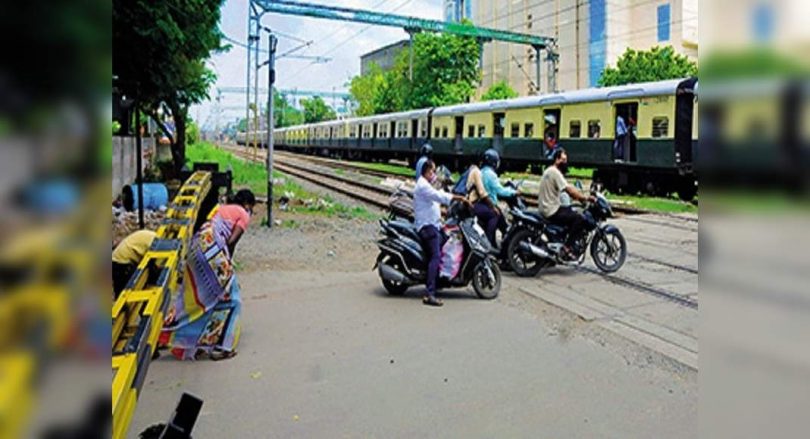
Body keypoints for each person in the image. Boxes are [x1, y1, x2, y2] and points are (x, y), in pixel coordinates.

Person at [159, 189, 256, 360]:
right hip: (212, 249)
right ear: (248, 205)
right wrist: (228, 270)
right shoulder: (243, 214)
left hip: (196, 246)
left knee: (202, 298)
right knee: (233, 299)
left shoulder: (222, 208)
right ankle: (225, 347)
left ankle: (180, 337)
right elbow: (230, 242)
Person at [414, 159, 468, 307]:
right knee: (436, 256)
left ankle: (438, 278)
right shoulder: (423, 186)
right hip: (427, 227)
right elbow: (439, 196)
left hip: (434, 225)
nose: (434, 174)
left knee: (446, 241)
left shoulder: (426, 184)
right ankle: (430, 293)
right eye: (432, 171)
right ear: (426, 171)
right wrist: (459, 198)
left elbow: (439, 193)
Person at [538, 149, 596, 260]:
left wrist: (578, 195)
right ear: (557, 159)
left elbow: (567, 187)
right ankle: (567, 248)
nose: (565, 163)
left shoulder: (549, 171)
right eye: (563, 160)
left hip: (546, 207)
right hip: (551, 210)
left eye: (566, 160)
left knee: (569, 211)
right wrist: (584, 198)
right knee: (579, 219)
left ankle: (562, 240)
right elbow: (568, 189)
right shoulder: (555, 172)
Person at [478, 149, 516, 248]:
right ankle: (489, 241)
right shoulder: (491, 174)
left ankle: (495, 245)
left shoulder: (482, 171)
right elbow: (500, 190)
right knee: (496, 214)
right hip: (488, 204)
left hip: (483, 203)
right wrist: (514, 192)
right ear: (494, 162)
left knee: (501, 221)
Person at [112, 230, 158, 299]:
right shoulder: (156, 244)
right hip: (122, 262)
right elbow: (156, 265)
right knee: (126, 294)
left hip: (117, 259)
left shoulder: (154, 236)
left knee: (120, 292)